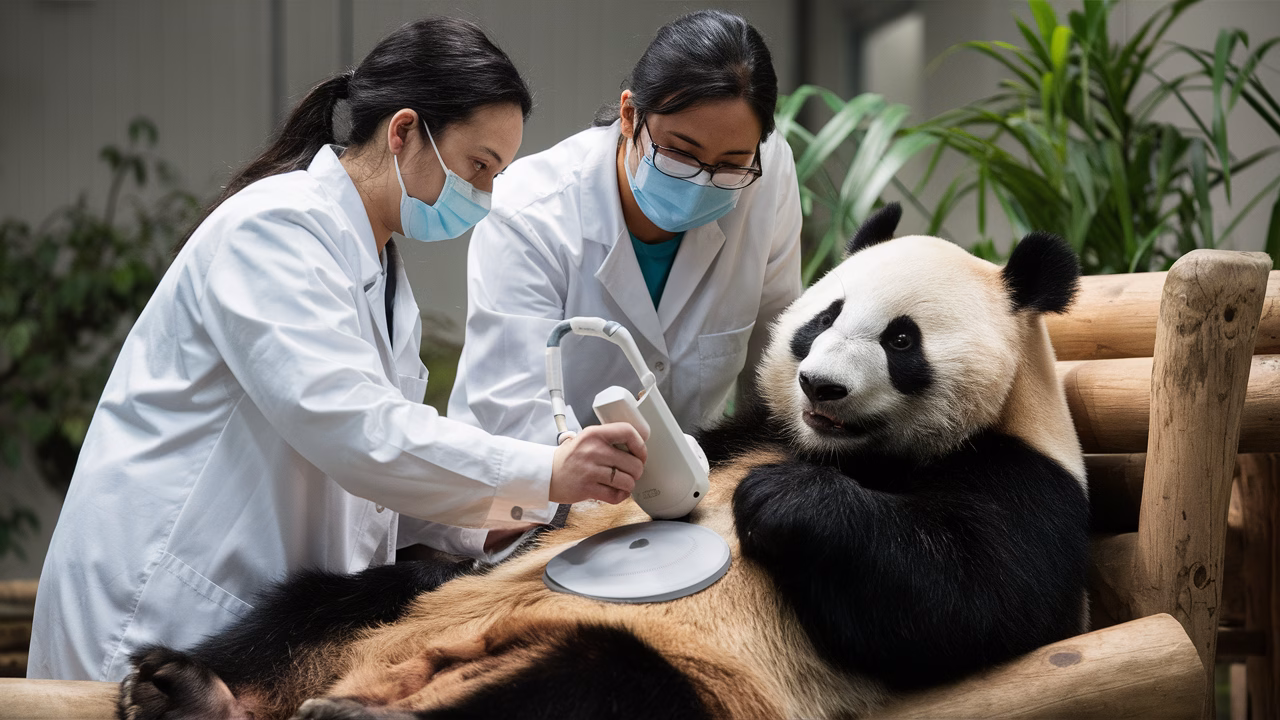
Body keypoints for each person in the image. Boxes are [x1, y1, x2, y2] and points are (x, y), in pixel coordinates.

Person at [29, 17, 646, 683]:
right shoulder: (276, 228)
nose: (486, 199)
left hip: (245, 628)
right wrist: (547, 471)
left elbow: (384, 487)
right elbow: (355, 432)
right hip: (161, 600)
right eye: (478, 167)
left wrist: (516, 516)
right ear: (404, 132)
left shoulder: (380, 278)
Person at [448, 9, 801, 447]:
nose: (701, 182)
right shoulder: (530, 212)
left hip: (684, 492)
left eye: (729, 166)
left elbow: (780, 358)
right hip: (531, 489)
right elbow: (514, 413)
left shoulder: (766, 176)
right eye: (680, 154)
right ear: (631, 115)